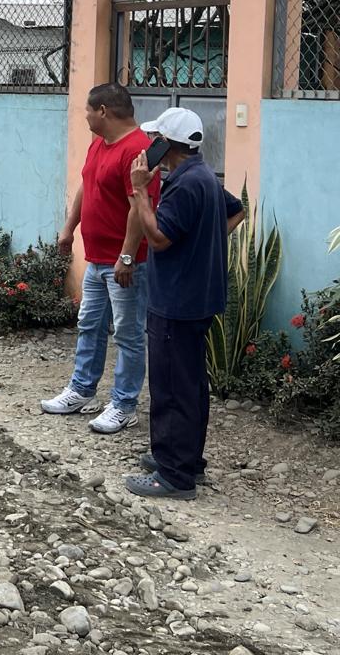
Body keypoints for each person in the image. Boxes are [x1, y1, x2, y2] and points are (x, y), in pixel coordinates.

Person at [125, 107, 245, 500]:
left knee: (172, 386)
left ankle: (174, 476)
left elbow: (159, 239)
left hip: (176, 302)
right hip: (198, 298)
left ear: (166, 144)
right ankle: (185, 459)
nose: (149, 145)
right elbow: (237, 210)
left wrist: (140, 191)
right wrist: (201, 242)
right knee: (190, 383)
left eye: (154, 139)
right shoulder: (204, 175)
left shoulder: (183, 185)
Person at [40, 83, 160, 433]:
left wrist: (127, 256)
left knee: (128, 335)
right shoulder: (99, 144)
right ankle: (81, 390)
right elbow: (86, 185)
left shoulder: (137, 151)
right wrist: (69, 228)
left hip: (125, 264)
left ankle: (124, 405)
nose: (86, 117)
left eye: (88, 111)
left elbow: (139, 208)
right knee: (89, 325)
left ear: (104, 111)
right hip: (97, 260)